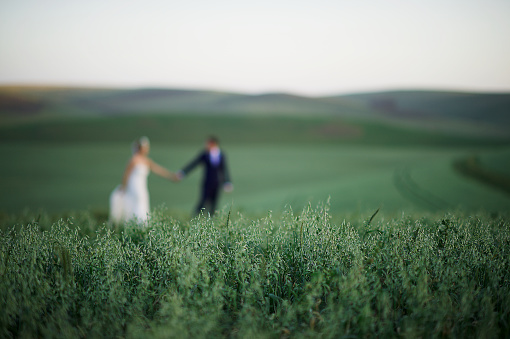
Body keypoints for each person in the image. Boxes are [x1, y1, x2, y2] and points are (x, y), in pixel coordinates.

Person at [110, 137, 177, 224]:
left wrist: (171, 176)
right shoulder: (134, 160)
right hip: (134, 186)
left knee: (142, 202)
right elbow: (126, 174)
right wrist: (123, 186)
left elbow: (158, 170)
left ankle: (141, 224)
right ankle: (136, 223)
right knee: (137, 201)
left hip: (142, 186)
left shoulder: (146, 161)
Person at [177, 136, 233, 216]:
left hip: (217, 183)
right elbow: (194, 164)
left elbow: (224, 169)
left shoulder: (221, 155)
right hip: (207, 182)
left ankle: (212, 221)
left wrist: (227, 182)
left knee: (214, 203)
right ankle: (195, 217)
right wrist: (183, 173)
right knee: (203, 202)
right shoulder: (205, 154)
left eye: (208, 143)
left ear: (213, 144)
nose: (206, 145)